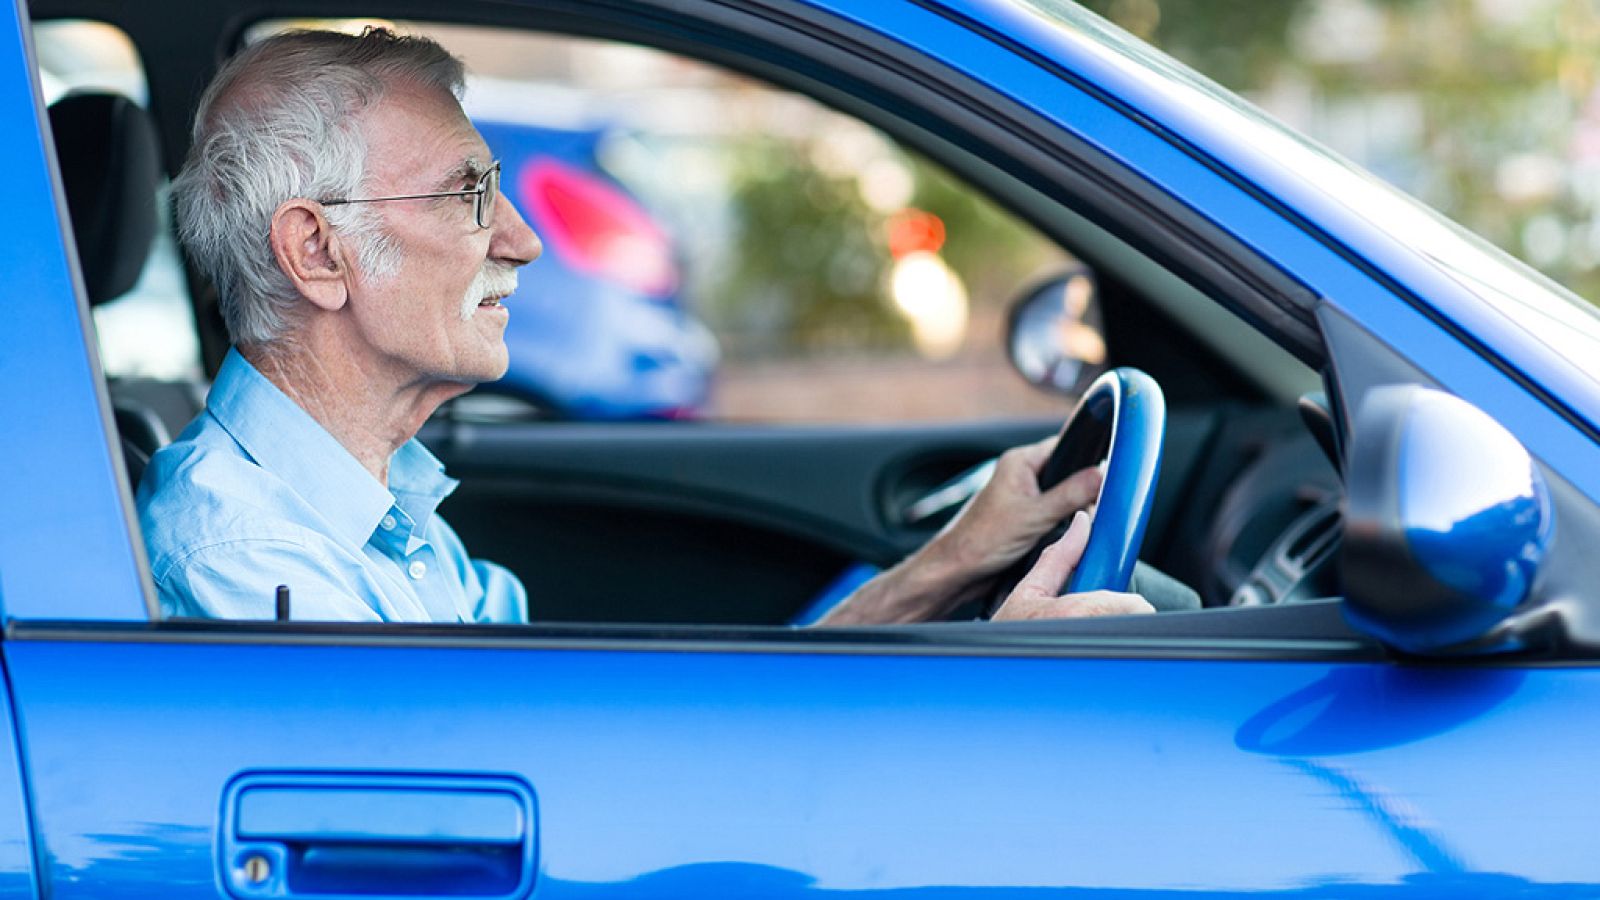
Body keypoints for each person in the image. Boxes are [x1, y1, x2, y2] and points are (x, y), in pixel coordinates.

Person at [138, 28, 1152, 625]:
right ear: (318, 252)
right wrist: (994, 698)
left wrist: (947, 568)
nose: (524, 241)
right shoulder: (255, 564)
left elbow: (607, 766)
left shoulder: (371, 510)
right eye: (467, 195)